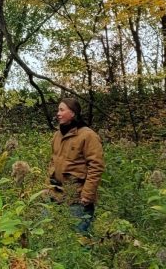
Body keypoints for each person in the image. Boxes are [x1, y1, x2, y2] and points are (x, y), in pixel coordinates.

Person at [47, 96, 104, 236]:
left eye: (61, 110)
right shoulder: (57, 135)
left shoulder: (88, 136)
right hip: (55, 195)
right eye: (57, 110)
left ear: (73, 113)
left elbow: (96, 166)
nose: (58, 113)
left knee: (78, 240)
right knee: (51, 235)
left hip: (78, 199)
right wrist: (46, 188)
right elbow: (52, 163)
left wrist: (87, 195)